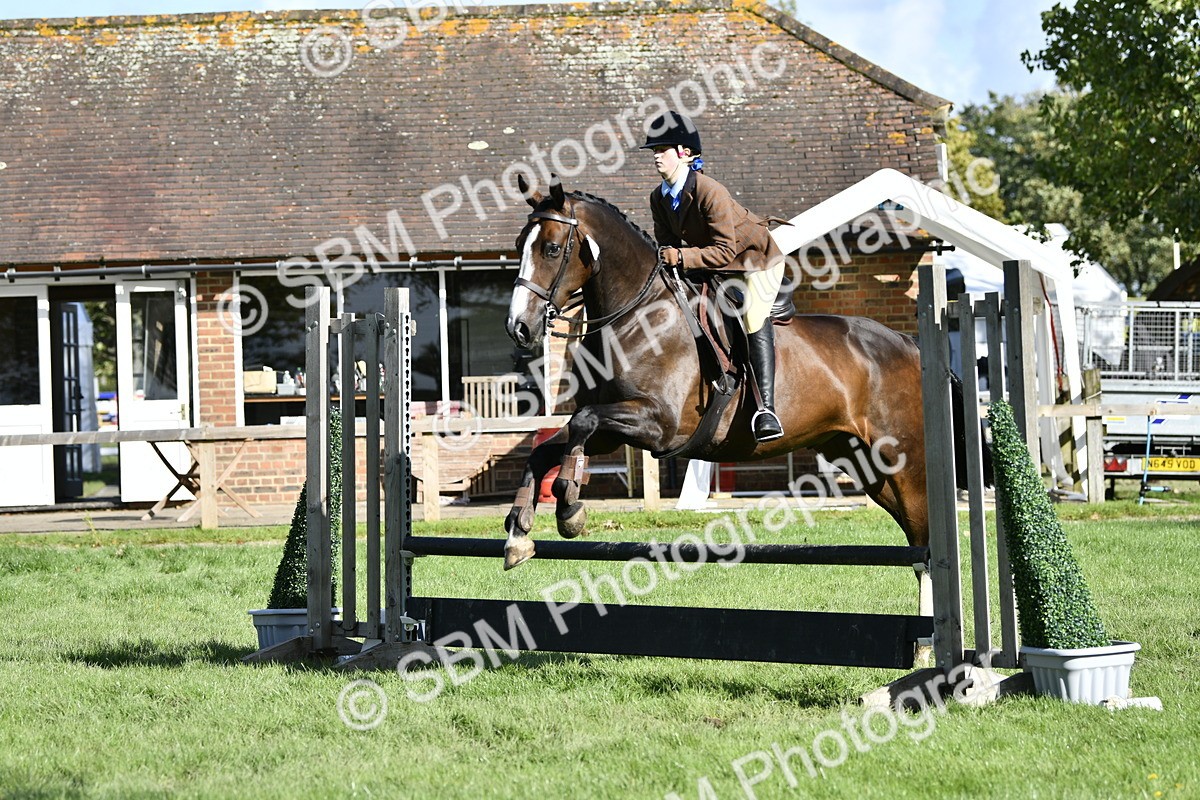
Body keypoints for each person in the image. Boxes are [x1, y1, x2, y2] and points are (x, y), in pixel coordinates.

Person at [641, 111, 786, 443]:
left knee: (751, 315)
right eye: (654, 151)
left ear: (685, 153)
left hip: (754, 262)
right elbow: (667, 246)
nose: (656, 157)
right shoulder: (658, 197)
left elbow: (723, 251)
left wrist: (680, 256)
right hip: (709, 266)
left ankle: (766, 409)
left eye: (663, 149)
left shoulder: (710, 190)